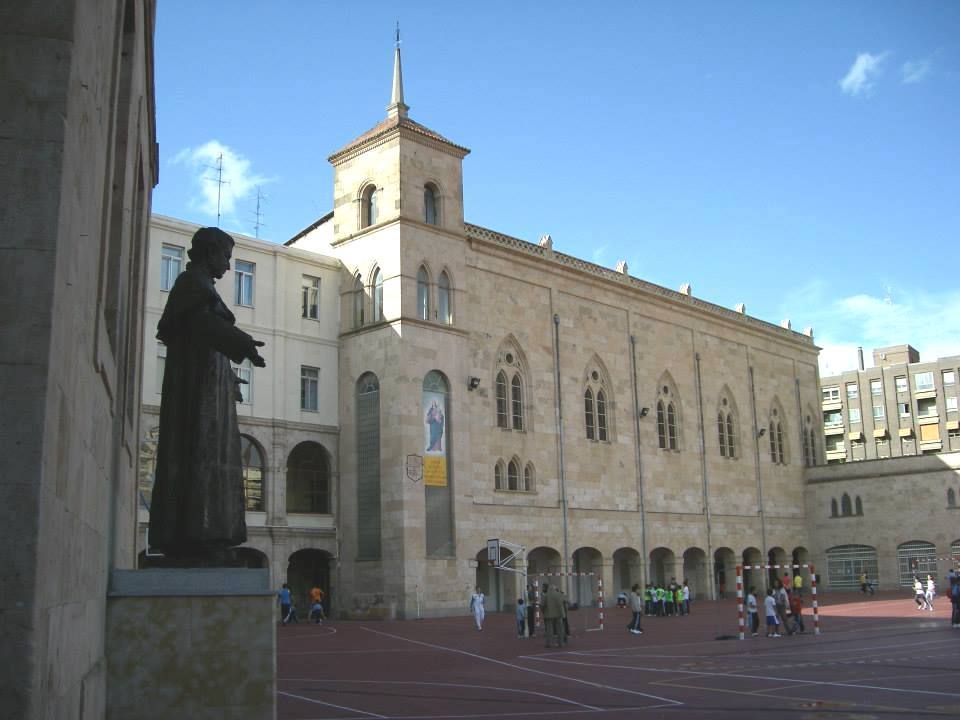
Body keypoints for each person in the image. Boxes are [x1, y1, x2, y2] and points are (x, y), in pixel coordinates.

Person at [149, 227, 267, 558]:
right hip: (196, 390)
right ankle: (196, 535)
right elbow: (199, 326)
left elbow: (206, 333)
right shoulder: (191, 285)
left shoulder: (201, 287)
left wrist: (229, 377)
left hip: (210, 386)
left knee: (214, 456)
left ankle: (211, 533)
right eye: (226, 258)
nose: (228, 267)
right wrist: (242, 344)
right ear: (209, 253)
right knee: (200, 454)